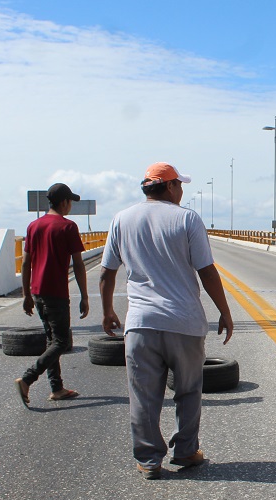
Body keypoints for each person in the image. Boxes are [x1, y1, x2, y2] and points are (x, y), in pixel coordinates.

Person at [100, 162, 234, 480]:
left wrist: (107, 311)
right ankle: (185, 450)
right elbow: (206, 270)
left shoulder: (121, 219)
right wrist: (224, 311)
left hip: (141, 324)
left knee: (144, 397)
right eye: (180, 185)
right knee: (188, 391)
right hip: (184, 322)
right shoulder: (187, 218)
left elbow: (107, 272)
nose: (182, 190)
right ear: (171, 186)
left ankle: (149, 460)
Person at [13, 183, 90, 408]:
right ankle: (27, 378)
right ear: (64, 202)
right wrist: (84, 295)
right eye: (70, 202)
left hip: (37, 292)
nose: (70, 206)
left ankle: (56, 388)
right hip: (56, 292)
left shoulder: (33, 226)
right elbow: (78, 263)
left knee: (51, 340)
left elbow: (26, 263)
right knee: (62, 341)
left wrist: (26, 294)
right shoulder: (68, 227)